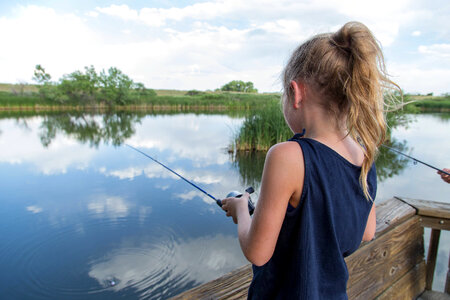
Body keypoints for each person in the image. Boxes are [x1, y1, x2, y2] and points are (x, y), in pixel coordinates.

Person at [221, 21, 400, 299]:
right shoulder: (363, 156)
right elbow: (366, 231)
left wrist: (241, 209)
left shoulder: (287, 156)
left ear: (296, 93)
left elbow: (257, 252)